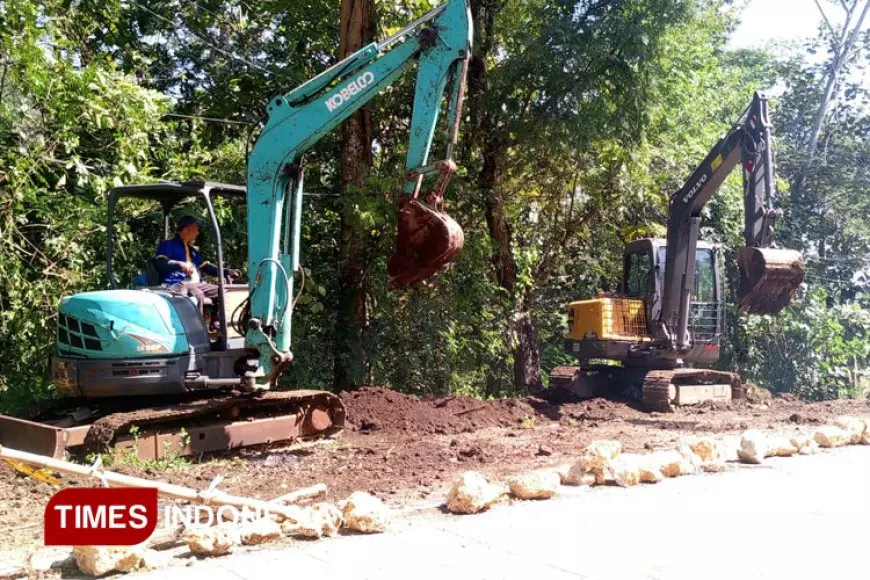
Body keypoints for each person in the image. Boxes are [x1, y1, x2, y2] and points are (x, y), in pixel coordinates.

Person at [155, 215, 241, 315]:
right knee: (198, 294)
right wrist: (179, 264)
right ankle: (196, 324)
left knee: (223, 292)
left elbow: (207, 268)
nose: (198, 233)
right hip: (176, 283)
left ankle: (217, 322)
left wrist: (227, 271)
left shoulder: (192, 251)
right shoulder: (168, 245)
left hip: (194, 284)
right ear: (187, 229)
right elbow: (161, 263)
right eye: (196, 229)